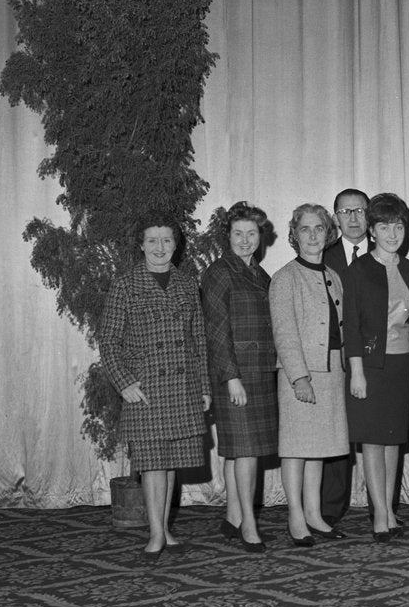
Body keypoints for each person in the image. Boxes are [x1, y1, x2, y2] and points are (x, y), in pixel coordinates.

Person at [100, 213, 210, 558]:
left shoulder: (187, 283)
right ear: (141, 245)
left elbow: (199, 340)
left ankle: (164, 531)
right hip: (146, 389)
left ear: (176, 245)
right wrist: (124, 383)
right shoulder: (126, 284)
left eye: (167, 240)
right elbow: (108, 341)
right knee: (151, 463)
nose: (160, 247)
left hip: (181, 386)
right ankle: (156, 534)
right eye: (152, 241)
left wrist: (204, 386)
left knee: (171, 460)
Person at [269, 204, 349, 547]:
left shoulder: (333, 275)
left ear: (328, 233)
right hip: (299, 373)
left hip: (331, 369)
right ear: (294, 234)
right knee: (295, 448)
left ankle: (315, 513)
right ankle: (296, 516)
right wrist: (298, 377)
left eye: (319, 228)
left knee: (318, 447)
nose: (313, 235)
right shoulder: (285, 277)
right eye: (305, 229)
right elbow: (284, 332)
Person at [201, 202, 278, 552]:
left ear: (261, 237)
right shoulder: (219, 272)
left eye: (252, 234)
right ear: (227, 237)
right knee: (245, 452)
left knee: (240, 452)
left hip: (260, 373)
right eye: (238, 234)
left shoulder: (261, 275)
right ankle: (249, 523)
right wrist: (231, 377)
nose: (245, 240)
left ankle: (233, 517)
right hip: (235, 373)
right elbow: (216, 329)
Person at [343, 193, 409, 542]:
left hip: (403, 364)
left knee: (393, 441)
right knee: (373, 442)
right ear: (371, 231)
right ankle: (379, 515)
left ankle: (389, 509)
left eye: (398, 226)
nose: (392, 233)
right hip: (371, 366)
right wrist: (356, 371)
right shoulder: (359, 269)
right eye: (384, 226)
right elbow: (352, 325)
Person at [320, 188, 373, 525]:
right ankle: (328, 509)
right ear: (335, 217)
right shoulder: (322, 256)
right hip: (336, 358)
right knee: (336, 434)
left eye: (360, 210)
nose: (354, 218)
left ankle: (381, 507)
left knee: (378, 435)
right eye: (346, 211)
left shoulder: (388, 250)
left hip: (379, 358)